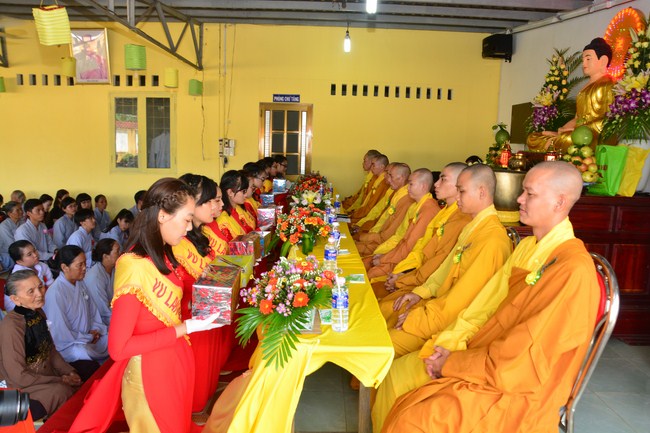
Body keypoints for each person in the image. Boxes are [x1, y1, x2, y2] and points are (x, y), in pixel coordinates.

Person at [377, 161, 600, 433]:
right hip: (486, 359)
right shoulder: (527, 247)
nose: (519, 199)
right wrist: (451, 344)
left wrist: (453, 362)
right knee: (406, 393)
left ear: (559, 201)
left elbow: (524, 360)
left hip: (518, 391)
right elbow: (486, 304)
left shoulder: (572, 270)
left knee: (414, 418)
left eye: (529, 193)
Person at [68, 177, 223, 433]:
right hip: (151, 377)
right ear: (162, 216)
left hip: (174, 364)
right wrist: (185, 328)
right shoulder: (134, 265)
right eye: (186, 219)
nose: (188, 228)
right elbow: (119, 348)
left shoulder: (164, 254)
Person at [384, 164, 511, 357]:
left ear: (481, 192)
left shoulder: (492, 240)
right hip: (437, 307)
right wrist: (419, 293)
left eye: (462, 191)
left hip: (452, 327)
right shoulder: (472, 228)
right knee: (388, 318)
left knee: (384, 344)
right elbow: (444, 270)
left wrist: (419, 319)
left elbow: (462, 300)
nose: (457, 197)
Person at [173, 173, 231, 412]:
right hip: (191, 321)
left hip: (208, 313)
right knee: (193, 389)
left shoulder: (201, 235)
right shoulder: (176, 242)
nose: (220, 205)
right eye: (212, 200)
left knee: (207, 379)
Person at [373, 163, 472, 301]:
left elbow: (437, 262)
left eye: (443, 179)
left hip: (425, 283)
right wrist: (402, 273)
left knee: (374, 291)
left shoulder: (457, 218)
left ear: (460, 185)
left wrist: (403, 278)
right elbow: (418, 247)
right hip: (413, 270)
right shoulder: (443, 213)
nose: (436, 184)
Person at [0, 270, 82, 420]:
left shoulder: (39, 313)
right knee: (62, 391)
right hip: (22, 386)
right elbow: (18, 376)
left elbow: (50, 351)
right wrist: (60, 379)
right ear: (15, 299)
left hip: (45, 377)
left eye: (40, 287)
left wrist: (69, 372)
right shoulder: (11, 326)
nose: (39, 294)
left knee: (84, 371)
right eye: (31, 291)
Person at [527, 37, 614, 153]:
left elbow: (607, 120)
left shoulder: (607, 84)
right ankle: (554, 143)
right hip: (577, 132)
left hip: (591, 135)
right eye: (583, 60)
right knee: (533, 138)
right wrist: (563, 129)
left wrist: (576, 130)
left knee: (568, 139)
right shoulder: (585, 87)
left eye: (588, 59)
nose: (584, 64)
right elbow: (577, 118)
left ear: (603, 61)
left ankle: (554, 145)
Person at [43, 245, 108, 378]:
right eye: (80, 265)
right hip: (71, 344)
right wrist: (88, 337)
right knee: (85, 351)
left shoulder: (80, 282)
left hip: (90, 334)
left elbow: (92, 311)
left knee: (113, 336)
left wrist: (96, 330)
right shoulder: (55, 293)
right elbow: (60, 332)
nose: (85, 268)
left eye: (85, 263)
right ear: (64, 267)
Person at [364, 169, 440, 280]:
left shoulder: (428, 210)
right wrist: (385, 256)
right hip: (397, 252)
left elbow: (410, 245)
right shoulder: (415, 206)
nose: (407, 188)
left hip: (408, 261)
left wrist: (384, 259)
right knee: (366, 263)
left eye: (411, 184)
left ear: (423, 186)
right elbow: (401, 236)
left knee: (370, 273)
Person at [354, 164, 414, 255]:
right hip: (379, 233)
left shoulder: (406, 199)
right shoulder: (397, 193)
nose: (388, 179)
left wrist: (370, 237)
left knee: (351, 245)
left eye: (391, 176)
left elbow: (392, 232)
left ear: (401, 178)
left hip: (386, 243)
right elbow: (380, 213)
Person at [4, 240, 55, 312]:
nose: (35, 255)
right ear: (19, 261)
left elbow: (51, 284)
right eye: (29, 254)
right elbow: (27, 300)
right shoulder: (19, 276)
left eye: (34, 250)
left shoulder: (42, 265)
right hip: (22, 308)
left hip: (38, 300)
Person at [84, 238, 119, 328]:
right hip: (100, 320)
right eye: (117, 252)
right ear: (106, 256)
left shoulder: (114, 269)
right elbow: (104, 312)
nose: (120, 254)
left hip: (113, 311)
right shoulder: (95, 278)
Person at [352, 162, 396, 233]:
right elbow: (367, 199)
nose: (385, 175)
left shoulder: (385, 184)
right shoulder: (378, 180)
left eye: (389, 174)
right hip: (369, 217)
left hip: (377, 226)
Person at [217, 170, 257, 241]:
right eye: (243, 191)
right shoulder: (223, 219)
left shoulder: (238, 208)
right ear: (230, 192)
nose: (246, 195)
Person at [350, 154, 390, 222]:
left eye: (373, 165)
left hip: (370, 216)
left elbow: (373, 206)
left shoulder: (383, 183)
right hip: (365, 211)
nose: (371, 167)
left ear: (382, 167)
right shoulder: (376, 178)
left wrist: (357, 214)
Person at [0, 201, 24, 271]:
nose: (21, 212)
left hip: (21, 250)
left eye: (21, 209)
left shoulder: (22, 223)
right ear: (9, 213)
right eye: (17, 210)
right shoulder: (4, 226)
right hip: (8, 254)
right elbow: (11, 244)